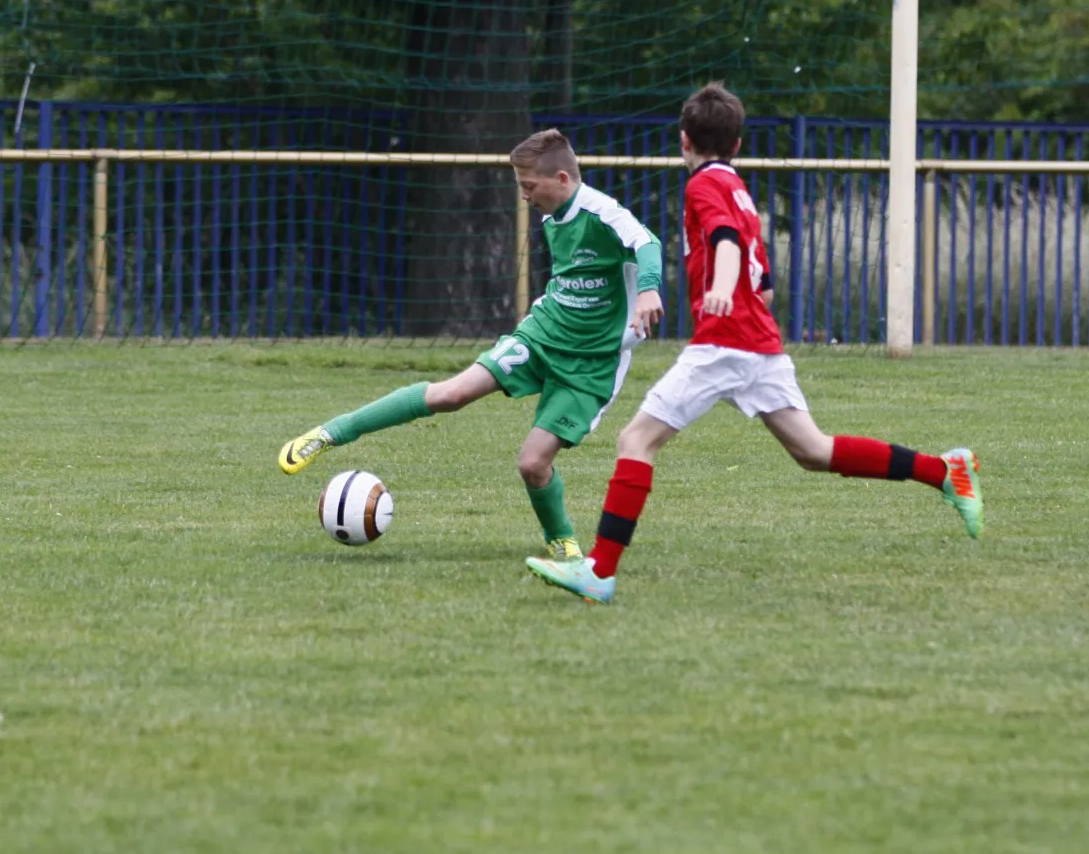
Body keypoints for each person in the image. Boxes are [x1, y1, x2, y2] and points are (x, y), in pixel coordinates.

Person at [526, 82, 983, 604]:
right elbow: (763, 282)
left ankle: (599, 571)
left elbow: (725, 240)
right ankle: (943, 470)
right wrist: (737, 288)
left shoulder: (704, 185)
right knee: (813, 450)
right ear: (738, 144)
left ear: (684, 140)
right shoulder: (740, 190)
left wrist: (721, 288)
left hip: (725, 342)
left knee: (636, 442)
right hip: (759, 341)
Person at [279, 129, 665, 558]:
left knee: (533, 464)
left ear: (561, 178)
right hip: (544, 332)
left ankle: (563, 544)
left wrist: (649, 289)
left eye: (528, 186)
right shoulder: (553, 210)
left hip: (593, 362)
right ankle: (330, 433)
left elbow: (647, 242)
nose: (524, 196)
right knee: (452, 393)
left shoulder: (602, 213)